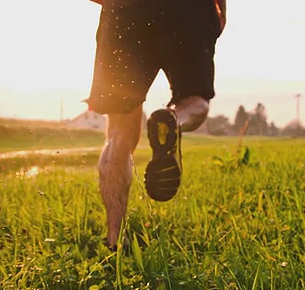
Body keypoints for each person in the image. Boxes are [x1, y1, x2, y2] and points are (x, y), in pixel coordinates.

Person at [87, 0, 226, 249]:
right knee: (195, 101)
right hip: (188, 9)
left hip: (124, 11)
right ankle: (174, 119)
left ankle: (115, 240)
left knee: (118, 134)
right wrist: (220, 9)